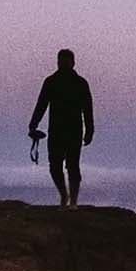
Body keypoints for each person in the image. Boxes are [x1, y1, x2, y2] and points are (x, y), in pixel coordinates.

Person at [26, 49, 95, 208]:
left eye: (65, 61)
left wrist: (90, 130)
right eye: (60, 61)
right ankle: (64, 196)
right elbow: (41, 105)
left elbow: (88, 108)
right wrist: (33, 125)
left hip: (74, 131)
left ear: (73, 62)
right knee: (54, 166)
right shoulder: (50, 82)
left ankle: (74, 202)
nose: (62, 64)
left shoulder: (81, 83)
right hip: (56, 131)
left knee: (73, 166)